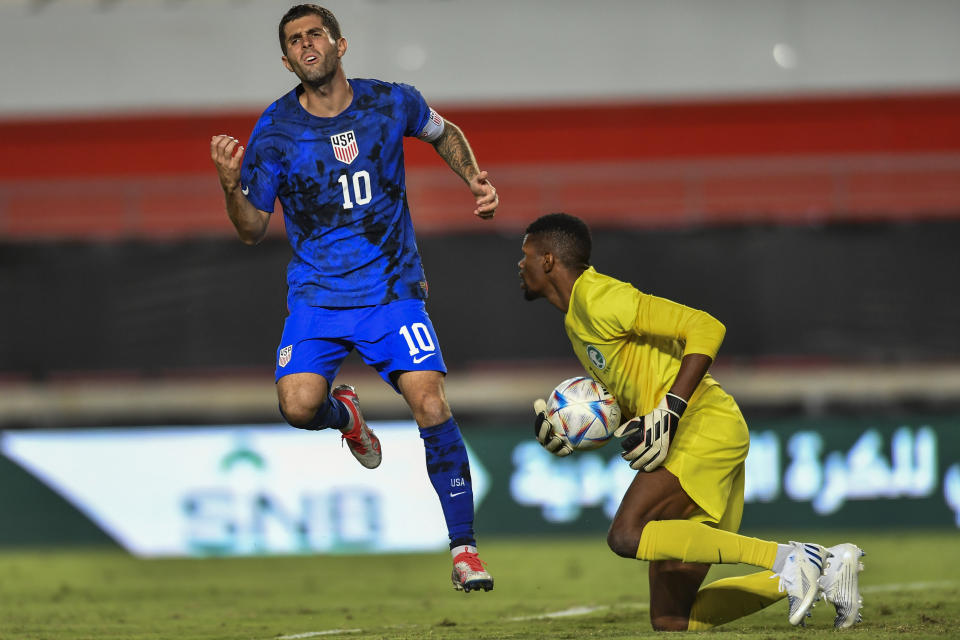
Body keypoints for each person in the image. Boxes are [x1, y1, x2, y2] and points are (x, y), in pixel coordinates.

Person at [209, 4, 495, 593]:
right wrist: (231, 186)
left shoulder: (392, 101)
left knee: (431, 404)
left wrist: (475, 178)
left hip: (392, 289)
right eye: (294, 40)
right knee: (296, 407)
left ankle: (464, 549)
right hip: (317, 296)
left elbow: (446, 132)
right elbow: (249, 228)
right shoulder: (276, 131)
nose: (306, 44)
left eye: (316, 33)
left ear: (341, 44)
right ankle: (347, 416)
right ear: (285, 59)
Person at [519, 212, 864, 630]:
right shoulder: (577, 322)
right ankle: (828, 566)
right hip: (694, 434)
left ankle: (791, 558)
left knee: (626, 534)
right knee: (672, 619)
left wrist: (671, 408)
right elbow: (636, 394)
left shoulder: (599, 297)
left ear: (550, 260)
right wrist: (574, 432)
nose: (520, 265)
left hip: (702, 425)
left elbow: (705, 325)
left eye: (526, 255)